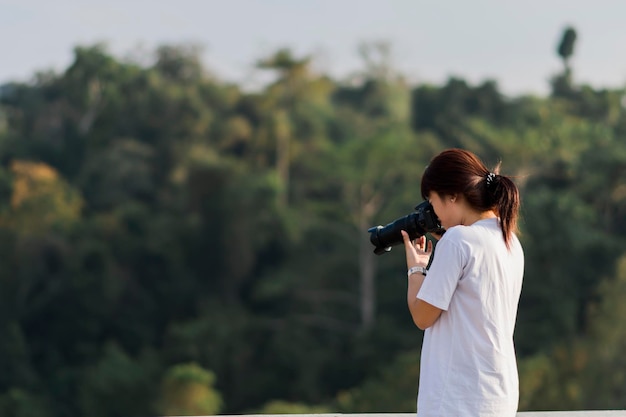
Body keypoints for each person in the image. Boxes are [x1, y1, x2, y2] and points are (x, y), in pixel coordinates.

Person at [401, 148, 524, 417]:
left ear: (453, 196)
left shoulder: (458, 240)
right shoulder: (510, 240)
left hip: (458, 397)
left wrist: (416, 269)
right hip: (499, 395)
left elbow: (423, 316)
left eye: (432, 202)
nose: (433, 213)